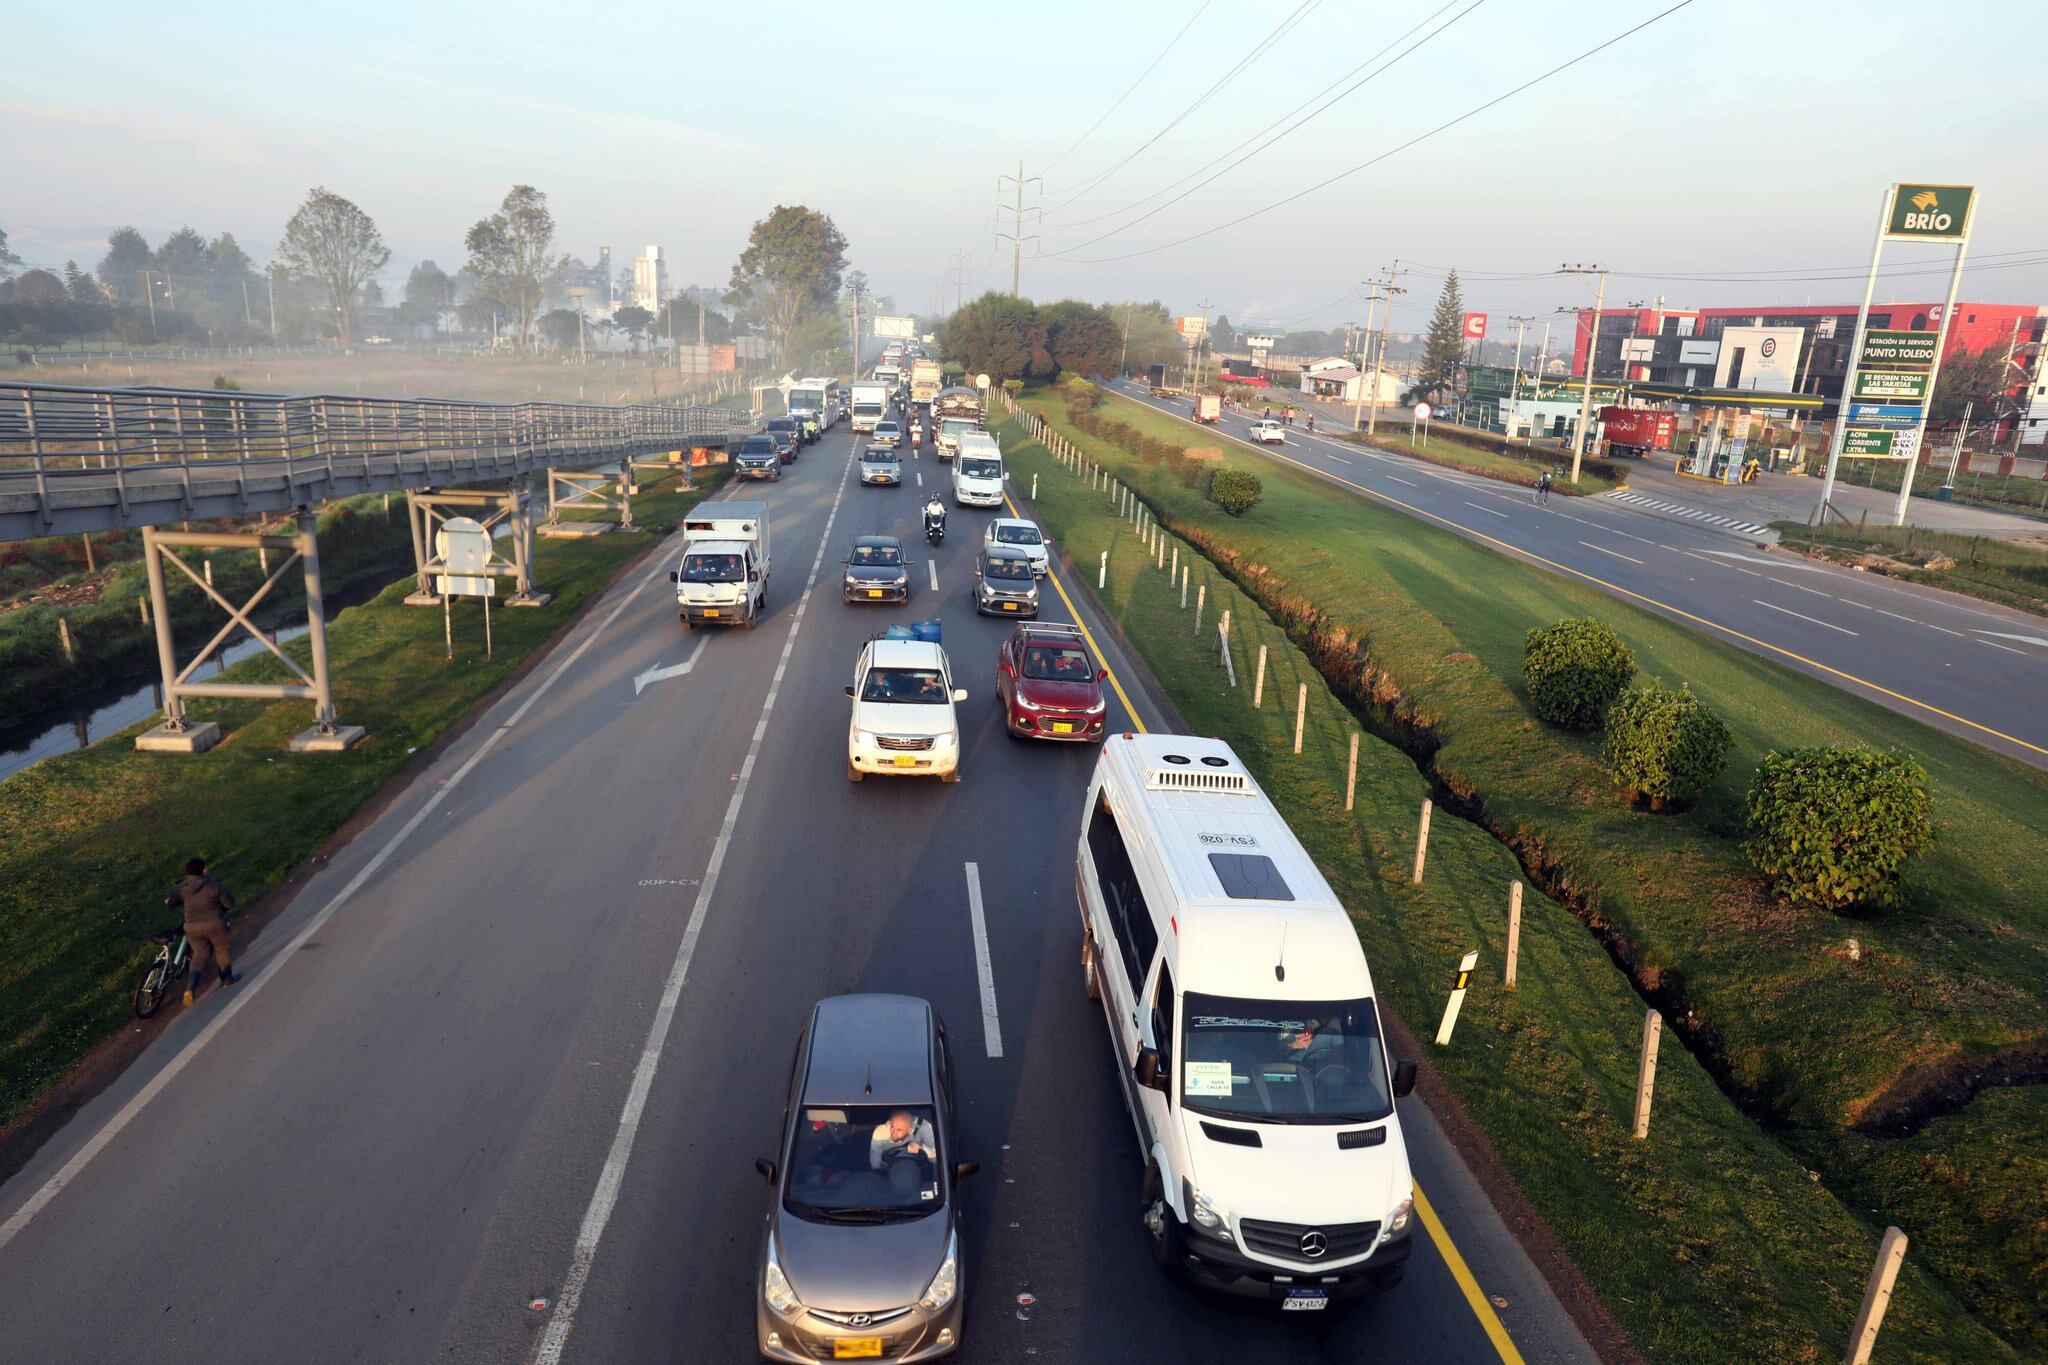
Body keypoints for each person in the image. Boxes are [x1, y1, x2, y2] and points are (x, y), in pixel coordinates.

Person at [164, 856, 235, 1006]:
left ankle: (190, 988)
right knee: (221, 950)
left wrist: (169, 901)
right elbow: (229, 903)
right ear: (203, 870)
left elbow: (170, 902)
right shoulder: (214, 885)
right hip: (215, 924)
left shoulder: (183, 888)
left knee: (200, 956)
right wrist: (220, 911)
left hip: (192, 928)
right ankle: (227, 980)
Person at [870, 1110, 937, 1173]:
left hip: (916, 1172)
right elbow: (875, 1163)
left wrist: (920, 1146)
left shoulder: (924, 1127)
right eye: (892, 1127)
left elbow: (936, 1158)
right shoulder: (881, 1132)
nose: (893, 1133)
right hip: (891, 1173)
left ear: (909, 1130)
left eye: (899, 1130)